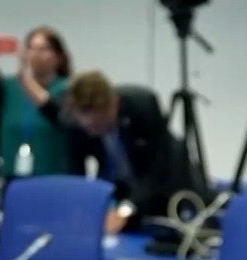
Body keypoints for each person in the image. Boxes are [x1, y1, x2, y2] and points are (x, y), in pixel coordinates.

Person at [65, 70, 201, 235]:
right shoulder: (74, 124)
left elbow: (156, 170)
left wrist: (124, 210)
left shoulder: (144, 106)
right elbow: (76, 176)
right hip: (123, 186)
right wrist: (82, 211)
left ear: (115, 104)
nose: (93, 130)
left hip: (165, 183)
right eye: (88, 127)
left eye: (98, 125)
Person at [0, 26, 74, 178]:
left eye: (43, 49)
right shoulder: (10, 87)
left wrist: (24, 79)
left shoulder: (67, 88)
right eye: (31, 48)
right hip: (12, 172)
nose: (35, 54)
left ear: (59, 57)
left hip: (52, 173)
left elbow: (51, 107)